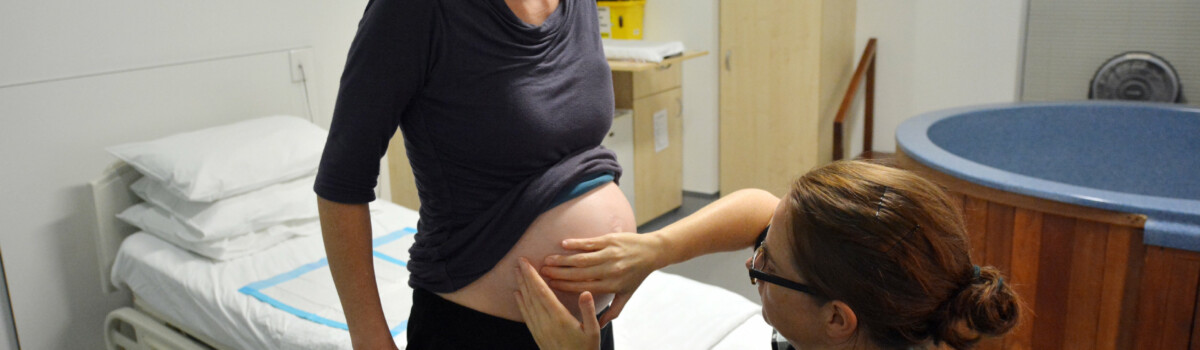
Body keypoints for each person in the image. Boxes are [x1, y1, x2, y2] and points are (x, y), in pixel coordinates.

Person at [314, 0, 635, 349]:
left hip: (588, 330)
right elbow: (342, 182)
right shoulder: (414, 10)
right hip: (476, 331)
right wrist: (371, 341)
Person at [515, 160, 1022, 350]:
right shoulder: (906, 311)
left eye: (767, 267)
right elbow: (762, 210)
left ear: (837, 319)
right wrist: (656, 248)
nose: (751, 265)